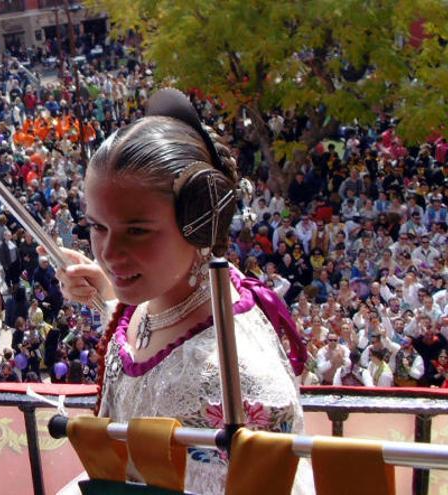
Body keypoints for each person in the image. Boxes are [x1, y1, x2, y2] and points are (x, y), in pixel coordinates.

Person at [53, 90, 311, 494]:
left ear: (201, 222)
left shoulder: (238, 378)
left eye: (136, 231)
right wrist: (100, 289)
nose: (108, 254)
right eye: (97, 227)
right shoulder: (156, 302)